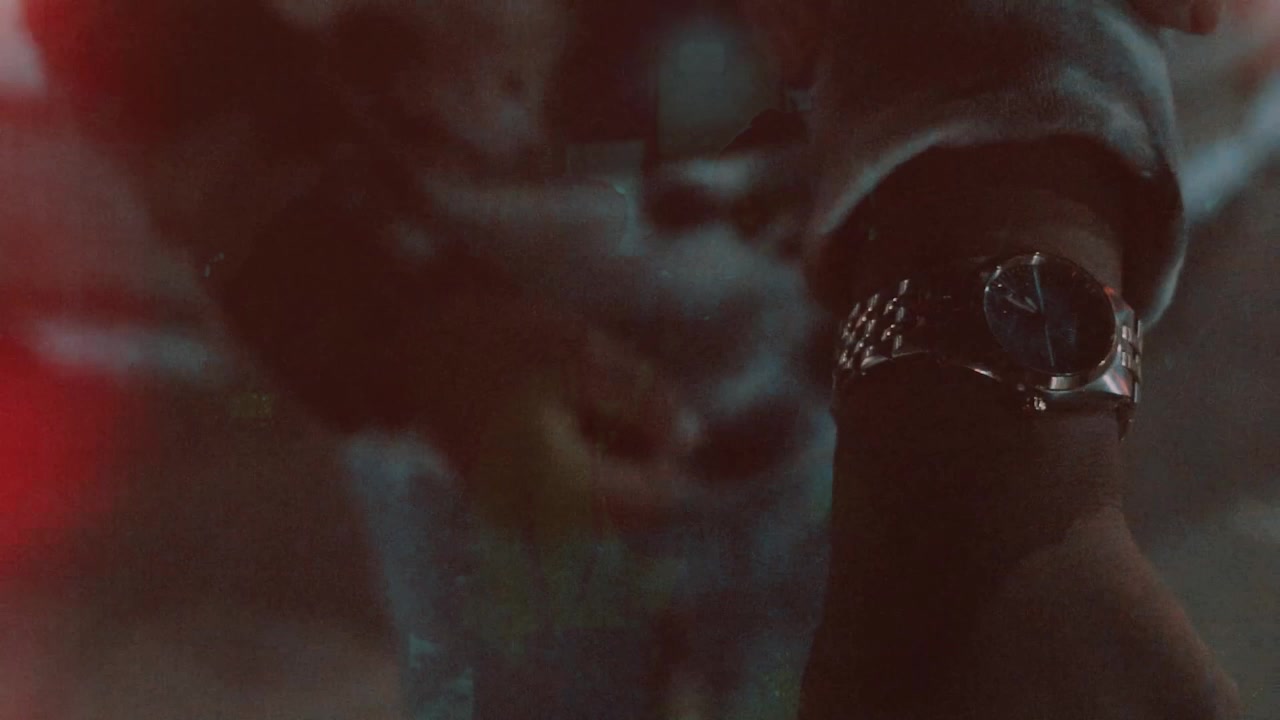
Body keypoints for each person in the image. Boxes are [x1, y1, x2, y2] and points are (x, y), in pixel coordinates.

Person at [20, 1, 1245, 719]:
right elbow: (151, 54)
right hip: (469, 453)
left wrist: (997, 466)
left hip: (840, 433)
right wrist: (408, 333)